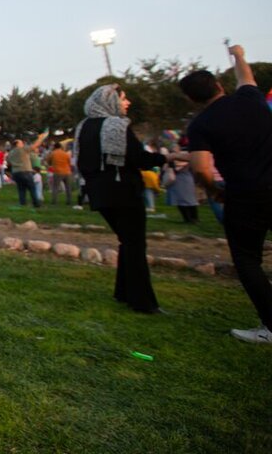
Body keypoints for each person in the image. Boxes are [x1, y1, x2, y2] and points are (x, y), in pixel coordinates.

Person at [180, 45, 272, 344]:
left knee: (247, 260)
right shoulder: (251, 99)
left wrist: (213, 190)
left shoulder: (202, 124)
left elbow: (202, 168)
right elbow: (246, 77)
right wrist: (239, 56)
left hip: (246, 195)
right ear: (220, 85)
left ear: (192, 100)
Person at [74, 84, 174, 314]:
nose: (127, 102)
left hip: (99, 192)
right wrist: (167, 157)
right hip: (123, 190)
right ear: (110, 102)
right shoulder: (116, 125)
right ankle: (143, 302)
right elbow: (137, 158)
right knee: (134, 244)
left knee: (126, 241)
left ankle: (123, 291)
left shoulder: (84, 127)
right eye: (123, 98)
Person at [6, 137, 43, 208]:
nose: (23, 144)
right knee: (32, 188)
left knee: (21, 189)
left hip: (16, 173)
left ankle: (22, 203)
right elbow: (35, 145)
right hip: (25, 171)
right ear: (17, 144)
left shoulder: (10, 153)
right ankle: (36, 204)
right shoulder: (23, 149)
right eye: (21, 143)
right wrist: (41, 138)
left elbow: (9, 163)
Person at [45, 141, 75, 205]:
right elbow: (69, 162)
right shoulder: (65, 153)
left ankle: (54, 202)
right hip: (67, 172)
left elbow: (48, 161)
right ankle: (69, 201)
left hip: (58, 172)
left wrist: (52, 164)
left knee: (55, 187)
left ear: (54, 147)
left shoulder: (53, 153)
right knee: (68, 188)